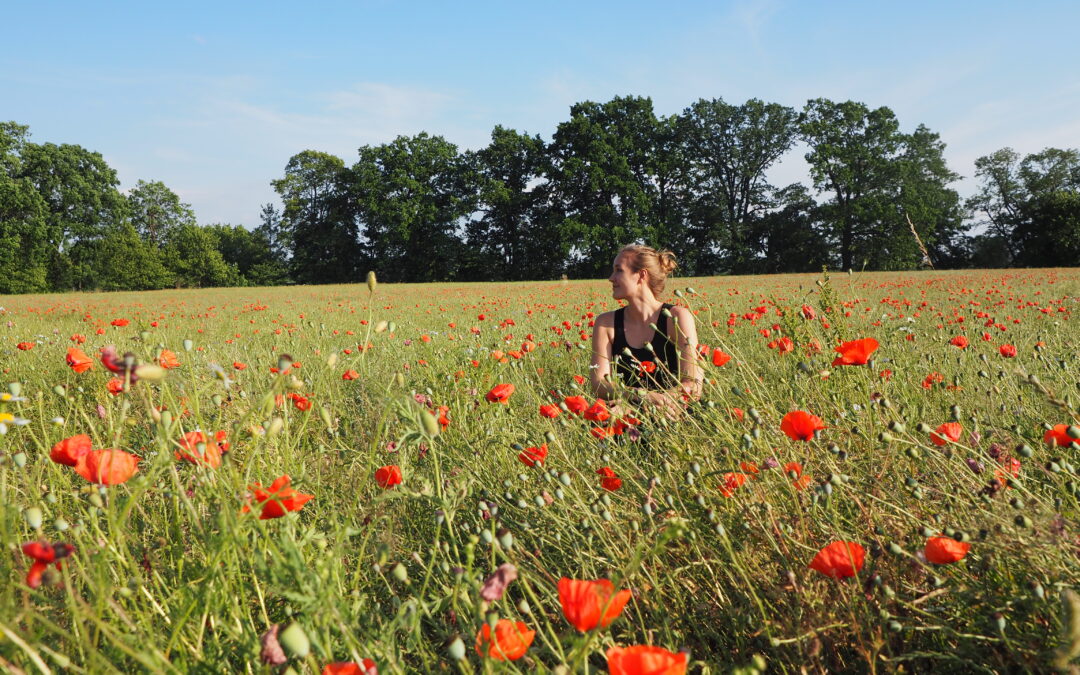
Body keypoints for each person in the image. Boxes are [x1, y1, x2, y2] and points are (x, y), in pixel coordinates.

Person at [590, 245, 702, 418]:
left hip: (674, 413)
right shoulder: (605, 323)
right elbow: (598, 382)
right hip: (625, 412)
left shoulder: (676, 317)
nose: (611, 278)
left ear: (641, 275)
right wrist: (641, 398)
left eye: (618, 270)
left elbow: (692, 383)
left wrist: (661, 403)